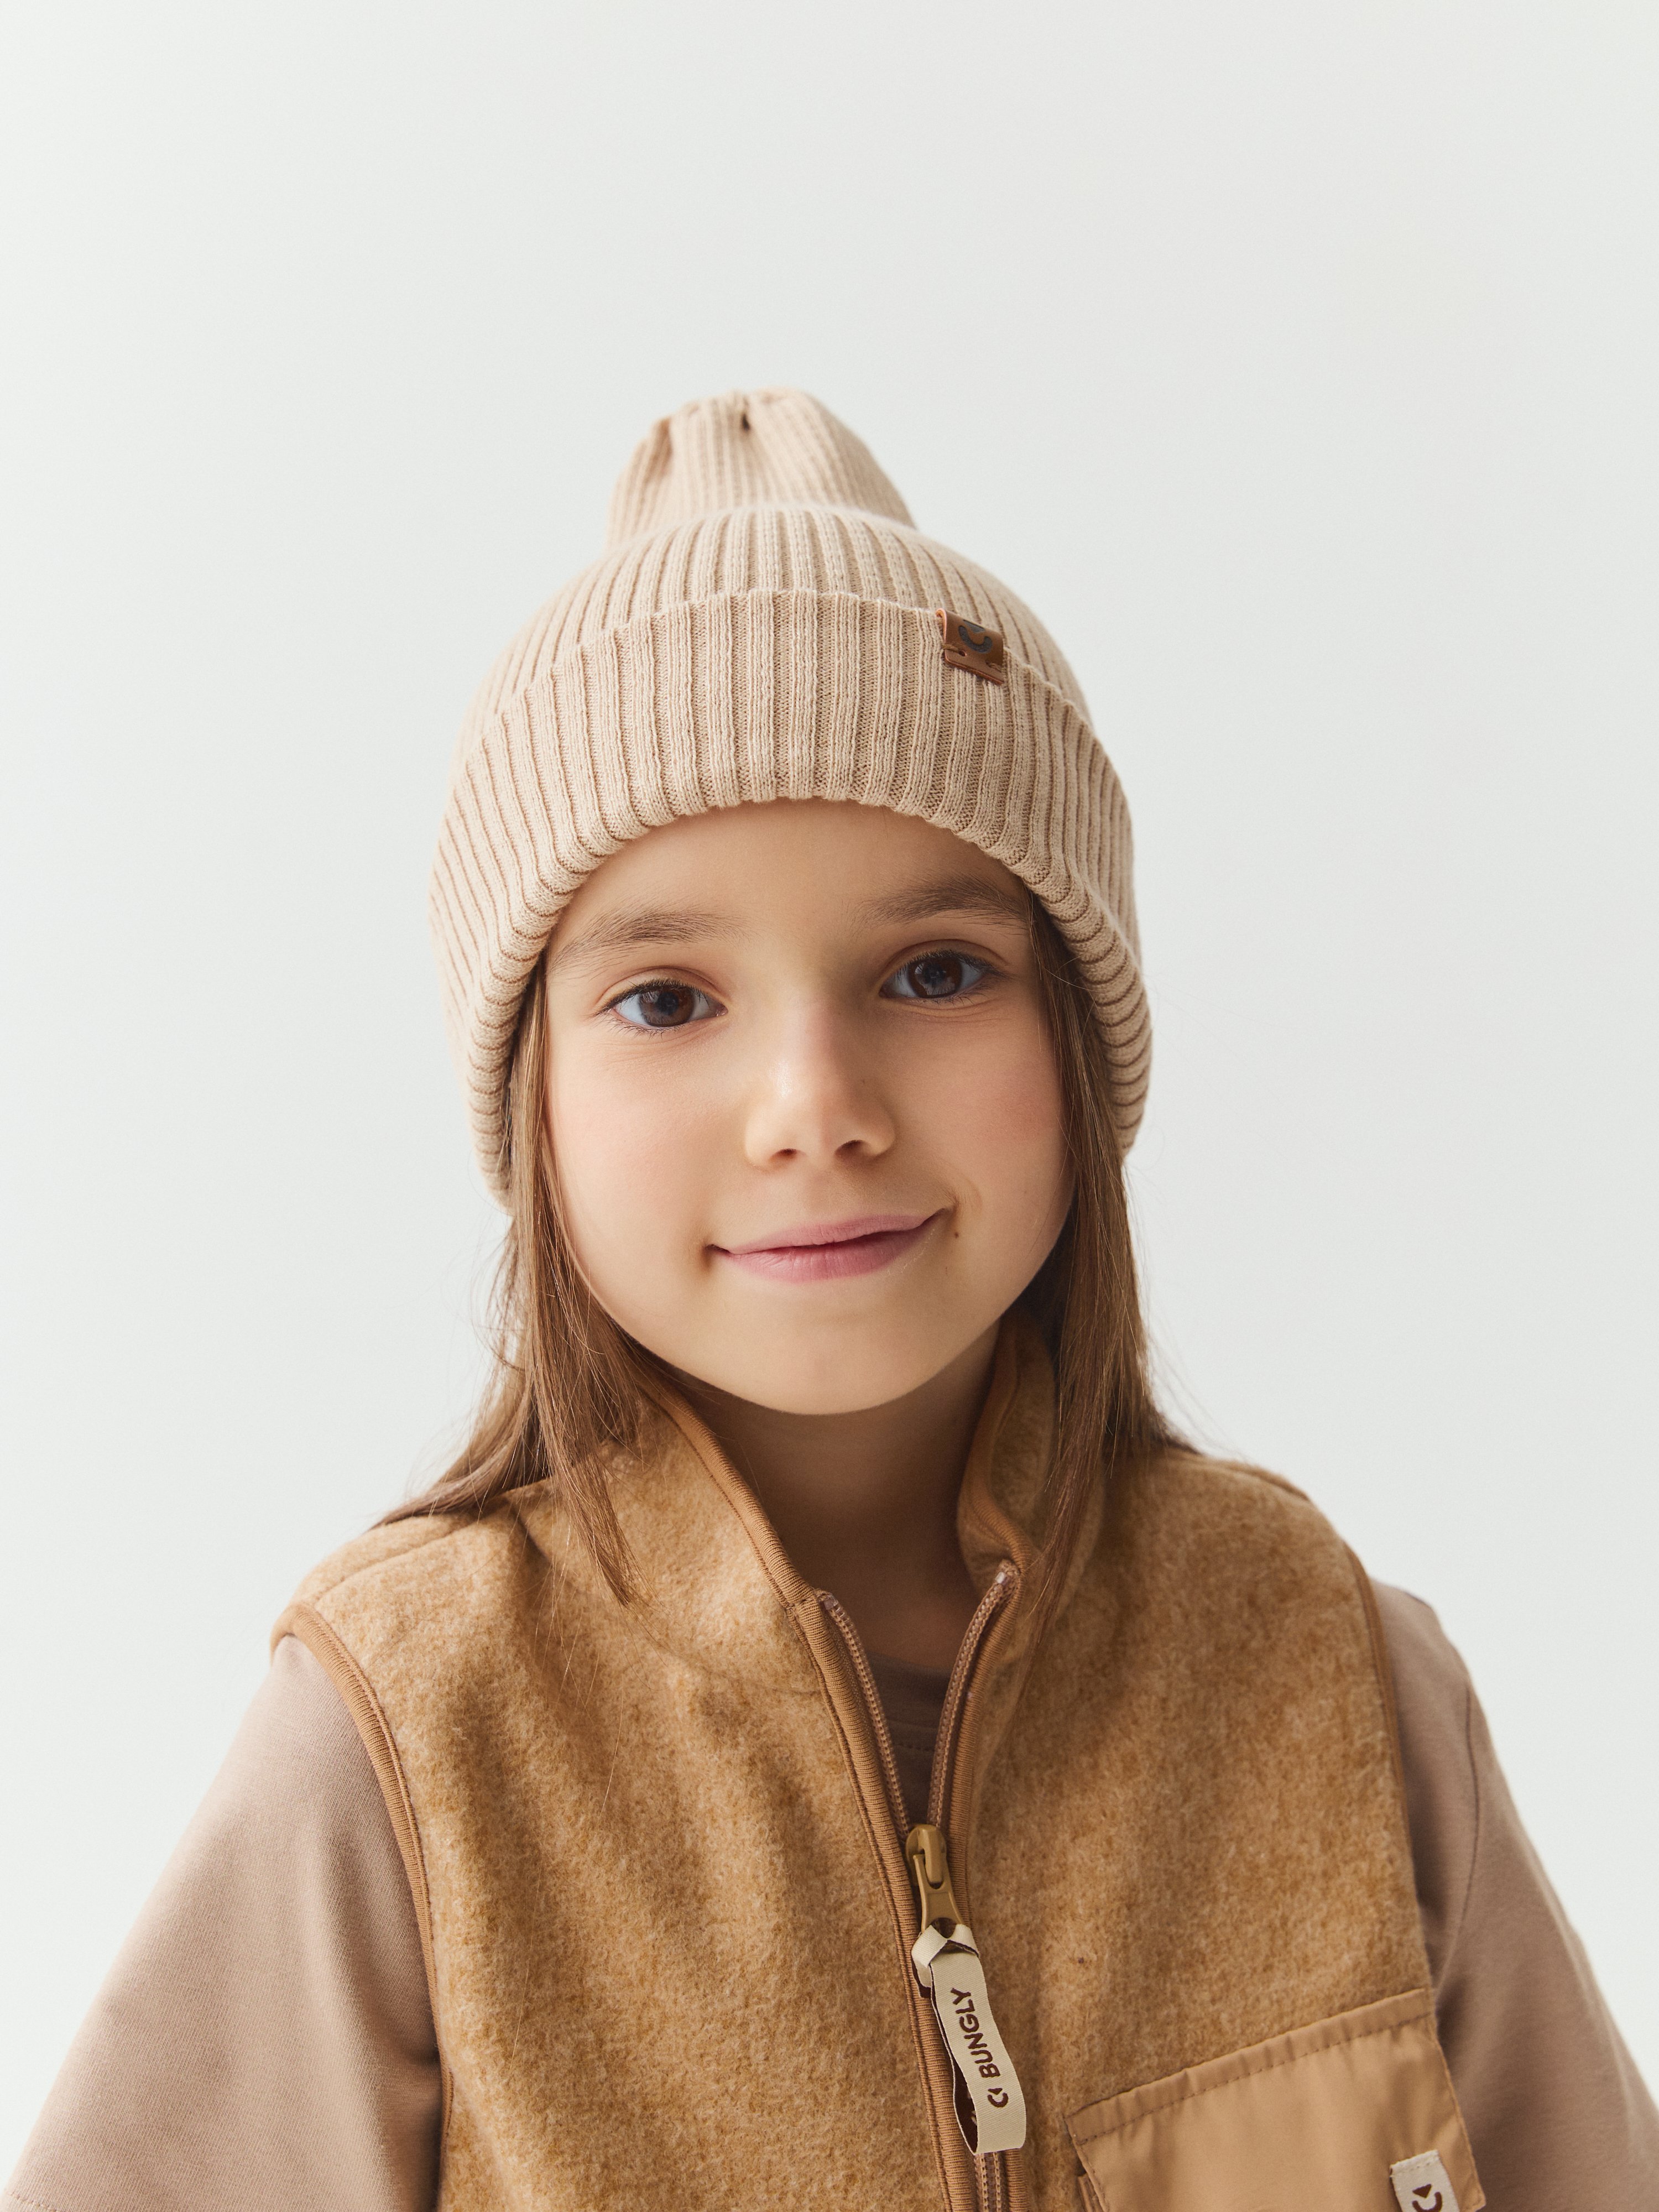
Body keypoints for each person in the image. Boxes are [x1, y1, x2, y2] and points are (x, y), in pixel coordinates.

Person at [7, 389, 1654, 2212]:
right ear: (533, 1104)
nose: (815, 1106)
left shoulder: (1333, 1673)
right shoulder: (402, 1748)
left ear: (1078, 1044)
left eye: (934, 972)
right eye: (666, 1000)